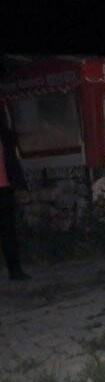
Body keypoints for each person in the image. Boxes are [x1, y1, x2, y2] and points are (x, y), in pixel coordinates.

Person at [0, 117, 30, 281]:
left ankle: (15, 269)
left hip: (5, 189)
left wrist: (21, 186)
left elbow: (12, 162)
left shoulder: (5, 136)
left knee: (8, 231)